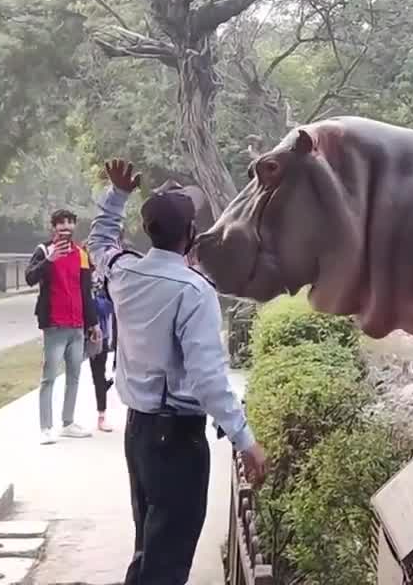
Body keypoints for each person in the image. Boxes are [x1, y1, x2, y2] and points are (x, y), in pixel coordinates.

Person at [88, 159, 267, 585]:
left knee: (149, 547)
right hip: (177, 441)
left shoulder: (123, 271)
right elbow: (208, 380)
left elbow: (98, 240)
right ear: (190, 233)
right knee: (166, 563)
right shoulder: (193, 291)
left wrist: (117, 195)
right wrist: (246, 440)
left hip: (139, 433)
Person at [25, 208, 100, 444]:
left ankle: (68, 422)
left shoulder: (81, 254)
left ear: (74, 227)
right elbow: (29, 277)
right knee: (49, 377)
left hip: (77, 325)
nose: (65, 228)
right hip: (54, 325)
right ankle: (45, 427)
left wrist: (93, 323)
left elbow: (85, 291)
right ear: (53, 227)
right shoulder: (44, 250)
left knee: (75, 376)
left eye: (69, 224)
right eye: (61, 224)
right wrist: (49, 260)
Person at [91, 274, 116, 433]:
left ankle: (102, 416)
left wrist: (93, 301)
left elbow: (108, 307)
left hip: (101, 336)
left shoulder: (108, 279)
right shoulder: (85, 273)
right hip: (81, 331)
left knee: (98, 374)